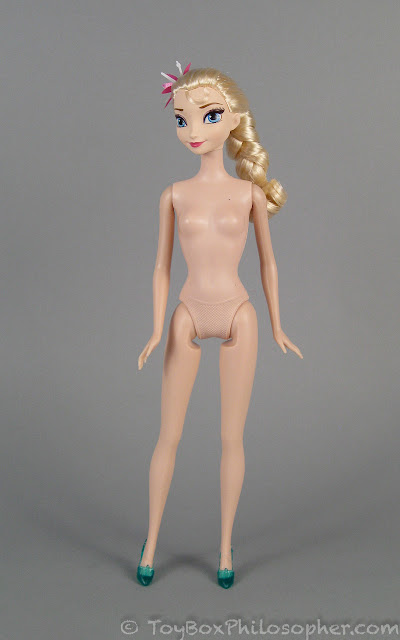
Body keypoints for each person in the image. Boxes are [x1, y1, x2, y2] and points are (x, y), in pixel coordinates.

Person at [137, 62, 303, 588]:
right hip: (188, 310)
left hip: (237, 313)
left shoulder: (249, 195)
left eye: (208, 116)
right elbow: (161, 267)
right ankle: (150, 542)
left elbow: (268, 263)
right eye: (181, 119)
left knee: (232, 437)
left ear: (233, 120)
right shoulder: (173, 194)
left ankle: (226, 548)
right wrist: (156, 328)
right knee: (168, 435)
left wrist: (277, 324)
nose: (193, 130)